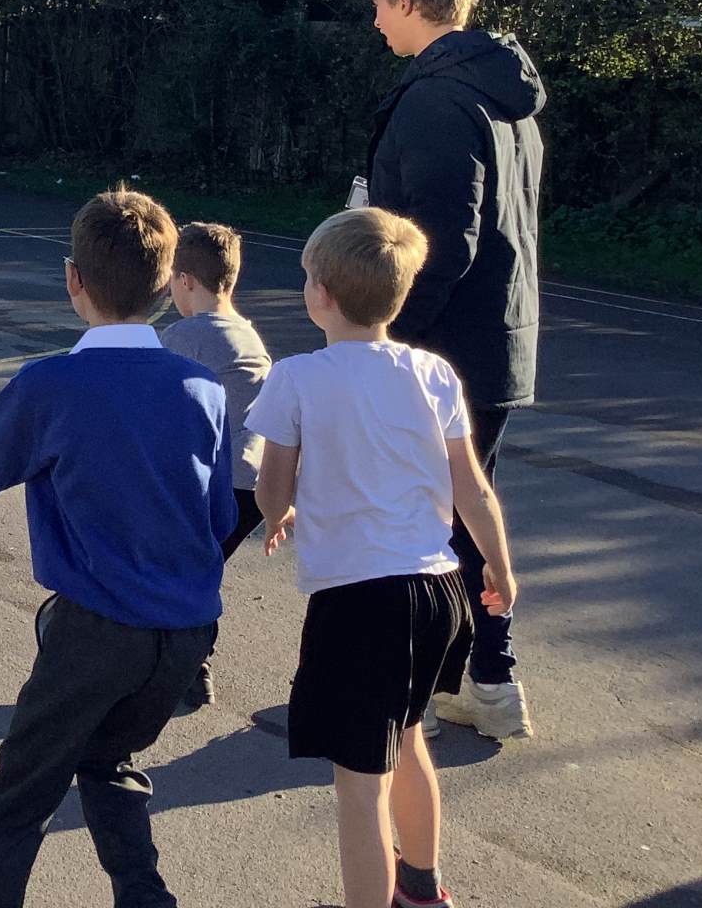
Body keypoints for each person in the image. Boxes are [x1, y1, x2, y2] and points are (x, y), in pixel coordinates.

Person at [0, 190, 234, 908]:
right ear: (165, 287)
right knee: (107, 759)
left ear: (73, 280)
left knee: (18, 799)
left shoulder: (51, 384)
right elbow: (217, 515)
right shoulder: (203, 388)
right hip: (185, 635)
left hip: (96, 632)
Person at [249, 207, 518, 908]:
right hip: (440, 590)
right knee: (408, 735)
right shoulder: (432, 372)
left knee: (358, 782)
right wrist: (499, 565)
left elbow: (272, 489)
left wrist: (280, 514)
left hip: (360, 602)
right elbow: (473, 488)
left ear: (320, 294)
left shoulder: (296, 377)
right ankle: (422, 888)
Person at [361, 0, 543, 741]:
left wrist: (381, 334)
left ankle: (412, 697)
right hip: (497, 341)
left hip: (443, 349)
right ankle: (484, 683)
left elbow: (440, 243)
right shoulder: (501, 95)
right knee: (469, 515)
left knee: (417, 522)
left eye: (378, 4)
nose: (375, 22)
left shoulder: (437, 100)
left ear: (407, 1)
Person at [160, 220, 271, 708]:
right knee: (201, 568)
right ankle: (190, 661)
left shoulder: (185, 336)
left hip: (213, 480)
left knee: (179, 571)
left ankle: (185, 665)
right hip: (254, 483)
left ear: (185, 280)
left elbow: (164, 406)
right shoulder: (247, 335)